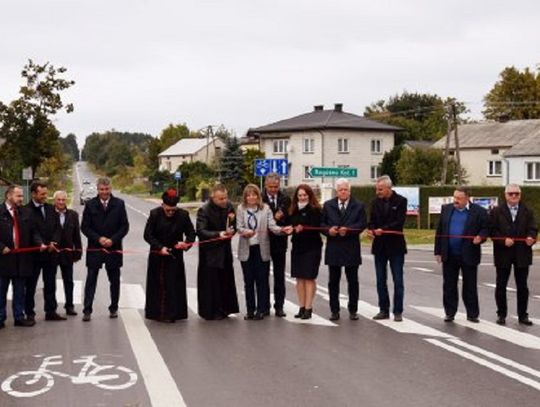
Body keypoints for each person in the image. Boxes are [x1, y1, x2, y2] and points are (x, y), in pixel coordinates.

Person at [237, 184, 292, 320]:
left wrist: (282, 230)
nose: (251, 197)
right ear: (245, 197)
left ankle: (262, 309)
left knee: (261, 280)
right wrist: (245, 232)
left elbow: (272, 226)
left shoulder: (265, 208)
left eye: (254, 194)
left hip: (261, 248)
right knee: (248, 281)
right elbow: (239, 226)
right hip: (246, 248)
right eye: (248, 195)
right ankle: (250, 310)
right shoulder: (240, 208)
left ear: (258, 196)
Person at [434, 186, 489, 323]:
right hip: (449, 254)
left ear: (467, 198)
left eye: (459, 198)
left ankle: (472, 314)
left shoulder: (479, 211)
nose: (456, 200)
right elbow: (440, 230)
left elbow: (486, 228)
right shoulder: (446, 209)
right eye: (454, 197)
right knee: (449, 285)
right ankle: (450, 313)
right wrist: (438, 251)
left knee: (470, 285)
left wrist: (480, 237)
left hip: (469, 253)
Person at [143, 189, 196, 322]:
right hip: (158, 254)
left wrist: (186, 244)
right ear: (163, 205)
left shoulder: (183, 215)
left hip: (175, 255)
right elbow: (148, 235)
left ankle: (173, 314)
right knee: (158, 284)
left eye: (173, 210)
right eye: (168, 210)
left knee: (173, 284)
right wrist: (160, 247)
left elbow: (191, 234)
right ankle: (157, 313)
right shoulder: (155, 214)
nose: (171, 213)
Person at [81, 177, 129, 321]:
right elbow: (84, 227)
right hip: (95, 248)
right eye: (101, 189)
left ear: (110, 189)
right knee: (91, 280)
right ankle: (87, 310)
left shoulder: (119, 204)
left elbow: (124, 226)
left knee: (114, 280)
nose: (104, 192)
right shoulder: (90, 204)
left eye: (107, 189)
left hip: (113, 248)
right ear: (98, 189)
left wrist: (112, 240)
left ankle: (114, 307)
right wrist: (98, 239)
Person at [490, 184, 537, 326]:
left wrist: (531, 238)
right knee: (501, 285)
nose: (514, 196)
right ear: (505, 195)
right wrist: (503, 240)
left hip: (522, 253)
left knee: (522, 286)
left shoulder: (528, 211)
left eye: (517, 193)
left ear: (520, 195)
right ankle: (501, 314)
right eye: (511, 193)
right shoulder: (497, 211)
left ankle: (523, 315)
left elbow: (533, 228)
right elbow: (492, 231)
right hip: (503, 253)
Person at [321, 178, 367, 321]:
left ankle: (353, 310)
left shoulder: (358, 205)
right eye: (340, 190)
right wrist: (329, 230)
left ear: (349, 190)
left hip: (351, 247)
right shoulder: (328, 205)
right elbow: (322, 224)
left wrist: (349, 230)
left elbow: (362, 224)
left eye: (345, 189)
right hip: (334, 247)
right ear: (337, 191)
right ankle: (334, 310)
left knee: (353, 281)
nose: (343, 192)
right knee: (333, 281)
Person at [0, 185, 45, 328]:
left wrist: (40, 244)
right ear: (9, 196)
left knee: (20, 290)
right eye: (18, 196)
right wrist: (1, 247)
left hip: (22, 259)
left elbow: (34, 232)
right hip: (4, 259)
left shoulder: (26, 213)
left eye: (22, 196)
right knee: (1, 290)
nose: (21, 199)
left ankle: (19, 317)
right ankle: (0, 318)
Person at [196, 184, 239, 320]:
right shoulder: (204, 210)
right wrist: (218, 234)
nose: (224, 201)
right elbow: (201, 231)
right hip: (210, 253)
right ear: (213, 197)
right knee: (210, 283)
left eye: (225, 198)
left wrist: (232, 230)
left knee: (225, 281)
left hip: (225, 250)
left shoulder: (229, 206)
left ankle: (225, 309)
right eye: (220, 199)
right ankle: (210, 311)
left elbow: (234, 224)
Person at [367, 175, 407, 322]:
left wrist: (382, 229)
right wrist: (371, 230)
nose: (378, 192)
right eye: (376, 189)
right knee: (380, 279)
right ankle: (383, 309)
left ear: (389, 188)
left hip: (396, 246)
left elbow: (398, 222)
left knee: (398, 280)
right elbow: (371, 221)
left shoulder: (401, 201)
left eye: (380, 189)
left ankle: (398, 311)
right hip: (379, 247)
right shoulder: (375, 202)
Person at [25, 181, 64, 322]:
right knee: (30, 286)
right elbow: (29, 231)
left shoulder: (50, 209)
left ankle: (51, 311)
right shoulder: (26, 210)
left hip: (50, 254)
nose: (45, 196)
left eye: (46, 194)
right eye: (42, 194)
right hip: (34, 255)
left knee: (50, 284)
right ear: (34, 194)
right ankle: (29, 314)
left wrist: (54, 242)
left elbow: (58, 228)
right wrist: (40, 244)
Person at [289, 184, 322, 320]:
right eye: (300, 195)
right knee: (299, 278)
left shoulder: (316, 210)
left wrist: (304, 227)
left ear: (309, 196)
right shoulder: (293, 210)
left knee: (309, 277)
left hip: (312, 247)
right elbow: (289, 223)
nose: (302, 198)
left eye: (305, 195)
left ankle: (308, 308)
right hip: (297, 247)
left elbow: (317, 226)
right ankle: (301, 307)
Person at [262, 173, 291, 317]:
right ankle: (264, 305)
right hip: (264, 242)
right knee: (263, 275)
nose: (273, 189)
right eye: (270, 187)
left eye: (276, 187)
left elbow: (290, 218)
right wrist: (274, 217)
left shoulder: (285, 199)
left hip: (280, 242)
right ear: (265, 185)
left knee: (279, 276)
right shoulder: (259, 198)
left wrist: (283, 219)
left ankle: (279, 306)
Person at [51, 190, 82, 316]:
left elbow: (77, 236)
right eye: (59, 200)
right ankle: (51, 308)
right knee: (50, 282)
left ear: (66, 201)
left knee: (68, 281)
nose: (61, 202)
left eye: (63, 200)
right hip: (52, 253)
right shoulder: (48, 214)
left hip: (67, 254)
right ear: (54, 201)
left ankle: (69, 306)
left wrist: (78, 251)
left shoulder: (73, 215)